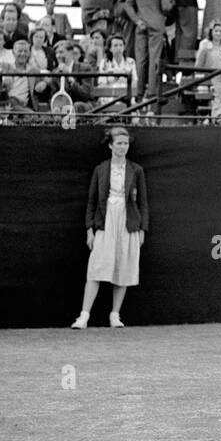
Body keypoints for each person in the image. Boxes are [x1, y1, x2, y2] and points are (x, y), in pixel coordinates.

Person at [71, 126, 148, 329]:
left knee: (123, 267)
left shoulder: (137, 170)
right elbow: (92, 202)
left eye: (126, 144)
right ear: (111, 146)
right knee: (96, 268)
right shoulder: (100, 169)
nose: (123, 147)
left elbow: (143, 203)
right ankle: (84, 316)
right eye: (119, 143)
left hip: (128, 222)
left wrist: (142, 230)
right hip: (105, 221)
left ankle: (115, 315)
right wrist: (90, 229)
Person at [125, 0, 174, 100]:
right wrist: (171, 3)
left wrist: (137, 20)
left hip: (140, 25)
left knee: (140, 59)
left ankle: (139, 91)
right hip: (156, 25)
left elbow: (128, 5)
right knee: (155, 58)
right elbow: (165, 7)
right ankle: (152, 91)